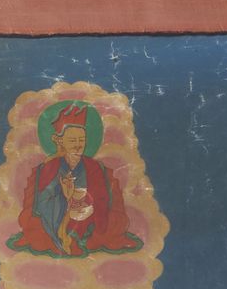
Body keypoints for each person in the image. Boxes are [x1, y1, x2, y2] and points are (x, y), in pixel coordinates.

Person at [10, 103, 141, 257]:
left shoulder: (94, 166)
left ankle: (75, 239)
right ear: (60, 141)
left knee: (114, 222)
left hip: (88, 214)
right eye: (72, 141)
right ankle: (66, 238)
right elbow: (41, 201)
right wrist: (64, 197)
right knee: (32, 225)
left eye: (81, 140)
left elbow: (103, 196)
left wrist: (89, 205)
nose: (78, 145)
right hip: (56, 215)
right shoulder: (50, 166)